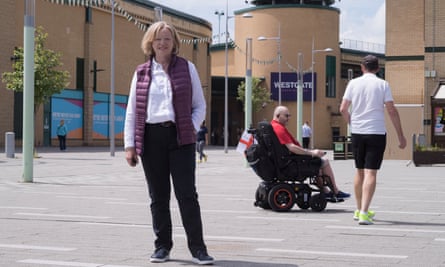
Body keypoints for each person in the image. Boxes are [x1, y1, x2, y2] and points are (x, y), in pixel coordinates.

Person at [124, 21, 214, 265]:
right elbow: (132, 111)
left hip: (180, 138)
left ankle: (198, 249)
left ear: (174, 42)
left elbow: (200, 105)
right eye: (157, 39)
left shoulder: (188, 68)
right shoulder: (141, 72)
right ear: (150, 43)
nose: (162, 43)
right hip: (151, 138)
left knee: (187, 195)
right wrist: (129, 145)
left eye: (167, 38)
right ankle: (162, 246)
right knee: (158, 196)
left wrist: (191, 127)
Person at [340, 55, 407, 225]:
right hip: (376, 132)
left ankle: (358, 209)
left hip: (357, 132)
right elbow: (391, 110)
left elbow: (343, 109)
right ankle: (364, 212)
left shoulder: (353, 83)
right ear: (378, 69)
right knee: (371, 172)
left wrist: (352, 122)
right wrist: (400, 135)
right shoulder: (382, 84)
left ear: (362, 67)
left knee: (359, 170)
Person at [271, 106, 350, 200]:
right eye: (286, 116)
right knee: (324, 161)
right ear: (278, 115)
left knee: (317, 166)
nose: (288, 118)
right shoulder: (279, 129)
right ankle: (335, 191)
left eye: (289, 116)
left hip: (286, 160)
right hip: (291, 162)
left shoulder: (273, 126)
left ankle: (325, 191)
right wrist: (312, 153)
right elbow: (292, 148)